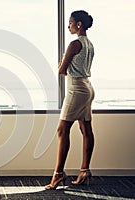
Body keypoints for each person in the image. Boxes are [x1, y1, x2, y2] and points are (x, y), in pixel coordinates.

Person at [45, 10, 95, 190]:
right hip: (87, 87)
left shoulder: (75, 44)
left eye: (71, 22)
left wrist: (61, 64)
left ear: (79, 24)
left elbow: (61, 69)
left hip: (76, 89)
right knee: (85, 128)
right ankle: (84, 170)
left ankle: (58, 174)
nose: (69, 26)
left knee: (62, 129)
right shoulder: (89, 44)